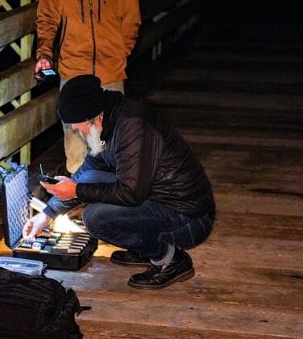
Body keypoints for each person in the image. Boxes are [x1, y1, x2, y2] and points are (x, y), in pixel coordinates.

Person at [23, 75, 215, 289]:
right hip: (160, 198)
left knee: (95, 218)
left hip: (190, 219)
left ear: (92, 117)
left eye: (77, 125)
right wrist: (47, 214)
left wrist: (77, 190)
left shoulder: (132, 127)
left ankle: (171, 259)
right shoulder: (108, 120)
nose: (76, 130)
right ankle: (146, 248)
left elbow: (132, 193)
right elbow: (90, 171)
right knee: (88, 178)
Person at [34, 0, 141, 174]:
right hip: (74, 67)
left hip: (110, 70)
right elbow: (47, 18)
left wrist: (119, 52)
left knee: (112, 139)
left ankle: (110, 195)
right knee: (75, 142)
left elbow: (131, 18)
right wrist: (44, 54)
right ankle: (78, 193)